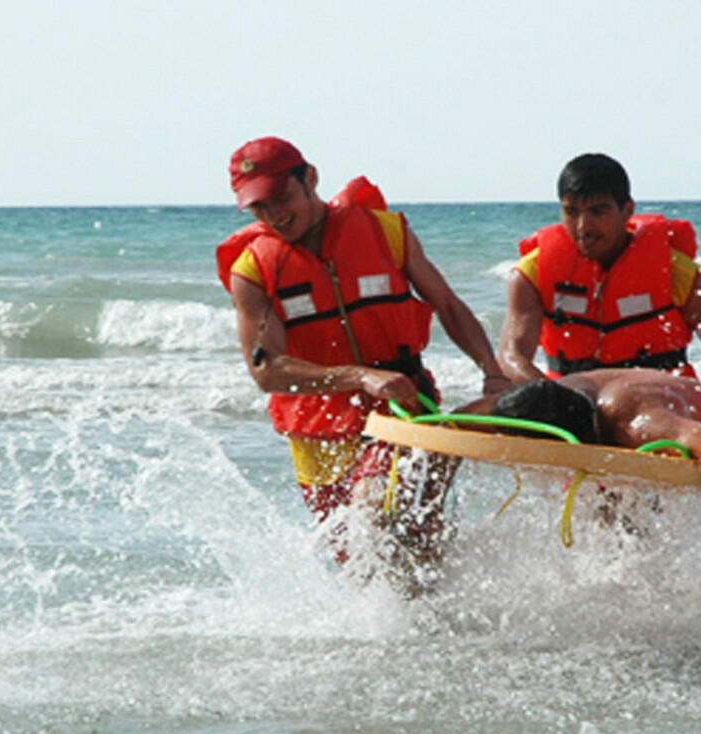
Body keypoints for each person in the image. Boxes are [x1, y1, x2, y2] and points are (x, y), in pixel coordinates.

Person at [214, 136, 510, 562]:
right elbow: (267, 371)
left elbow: (447, 304)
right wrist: (359, 377)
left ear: (310, 178)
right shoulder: (253, 271)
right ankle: (434, 623)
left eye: (281, 198)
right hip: (316, 437)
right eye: (259, 207)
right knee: (365, 569)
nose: (275, 215)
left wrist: (491, 370)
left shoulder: (385, 232)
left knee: (383, 520)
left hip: (402, 410)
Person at [460, 369, 701, 605]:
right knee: (611, 525)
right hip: (671, 417)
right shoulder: (532, 403)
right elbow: (449, 425)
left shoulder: (634, 420)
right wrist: (425, 527)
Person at [498, 153, 701, 392]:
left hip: (660, 403)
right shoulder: (531, 274)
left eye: (597, 212)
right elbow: (512, 358)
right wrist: (554, 401)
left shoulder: (678, 273)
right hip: (573, 404)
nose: (583, 227)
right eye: (571, 212)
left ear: (627, 210)